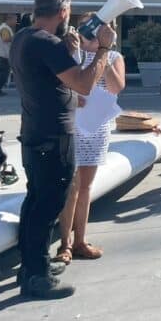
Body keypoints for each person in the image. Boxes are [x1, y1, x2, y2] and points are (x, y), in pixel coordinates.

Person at [11, 0, 117, 299]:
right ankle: (38, 278)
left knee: (35, 202)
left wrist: (67, 49)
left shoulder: (24, 38)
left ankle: (31, 266)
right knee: (48, 206)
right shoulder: (46, 43)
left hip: (34, 133)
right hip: (53, 137)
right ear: (63, 12)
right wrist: (102, 50)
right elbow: (84, 84)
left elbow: (52, 79)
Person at [54, 15, 125, 264]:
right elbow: (59, 83)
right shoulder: (71, 52)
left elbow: (116, 88)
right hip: (73, 123)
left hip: (96, 126)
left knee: (85, 186)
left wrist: (102, 57)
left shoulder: (114, 57)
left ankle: (81, 240)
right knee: (71, 185)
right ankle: (65, 244)